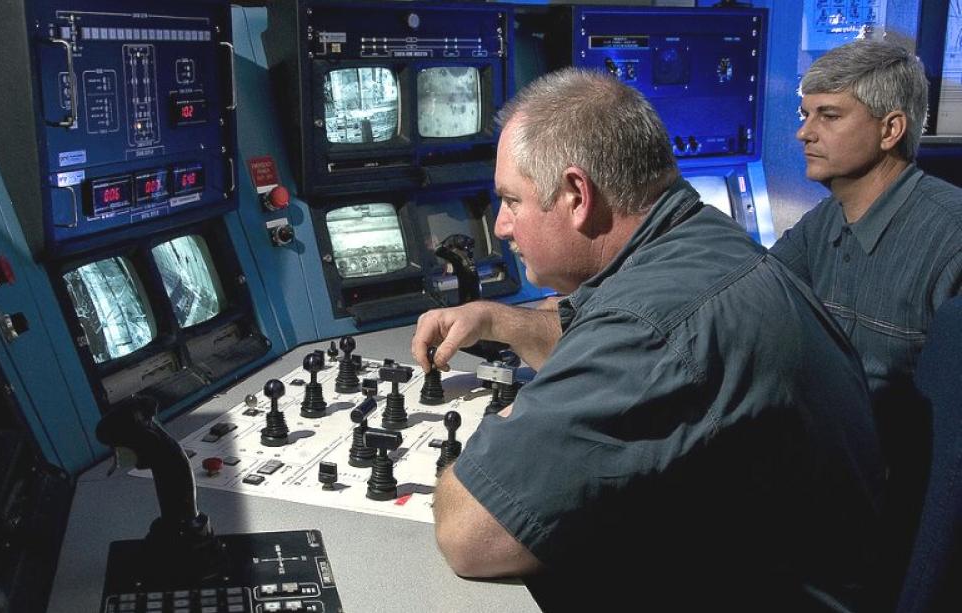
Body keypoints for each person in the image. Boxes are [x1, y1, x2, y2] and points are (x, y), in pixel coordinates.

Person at [411, 67, 884, 612]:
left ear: (575, 194)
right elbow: (616, 333)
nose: (500, 226)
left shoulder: (651, 323)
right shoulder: (700, 240)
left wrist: (477, 448)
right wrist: (502, 322)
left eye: (512, 200)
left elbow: (472, 539)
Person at [769, 38, 962, 605]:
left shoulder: (950, 238)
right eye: (805, 115)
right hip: (830, 492)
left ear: (890, 129)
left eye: (828, 116)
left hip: (897, 525)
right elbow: (751, 294)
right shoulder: (825, 221)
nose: (805, 133)